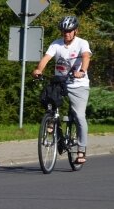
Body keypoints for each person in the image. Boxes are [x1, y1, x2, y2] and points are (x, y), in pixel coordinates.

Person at [32, 15, 92, 164]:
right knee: (48, 100)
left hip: (78, 84)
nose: (67, 33)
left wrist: (82, 71)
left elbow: (86, 57)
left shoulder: (82, 43)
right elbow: (46, 58)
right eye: (64, 31)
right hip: (60, 82)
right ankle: (51, 122)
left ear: (75, 31)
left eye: (70, 31)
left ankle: (81, 149)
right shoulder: (56, 44)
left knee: (79, 116)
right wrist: (39, 69)